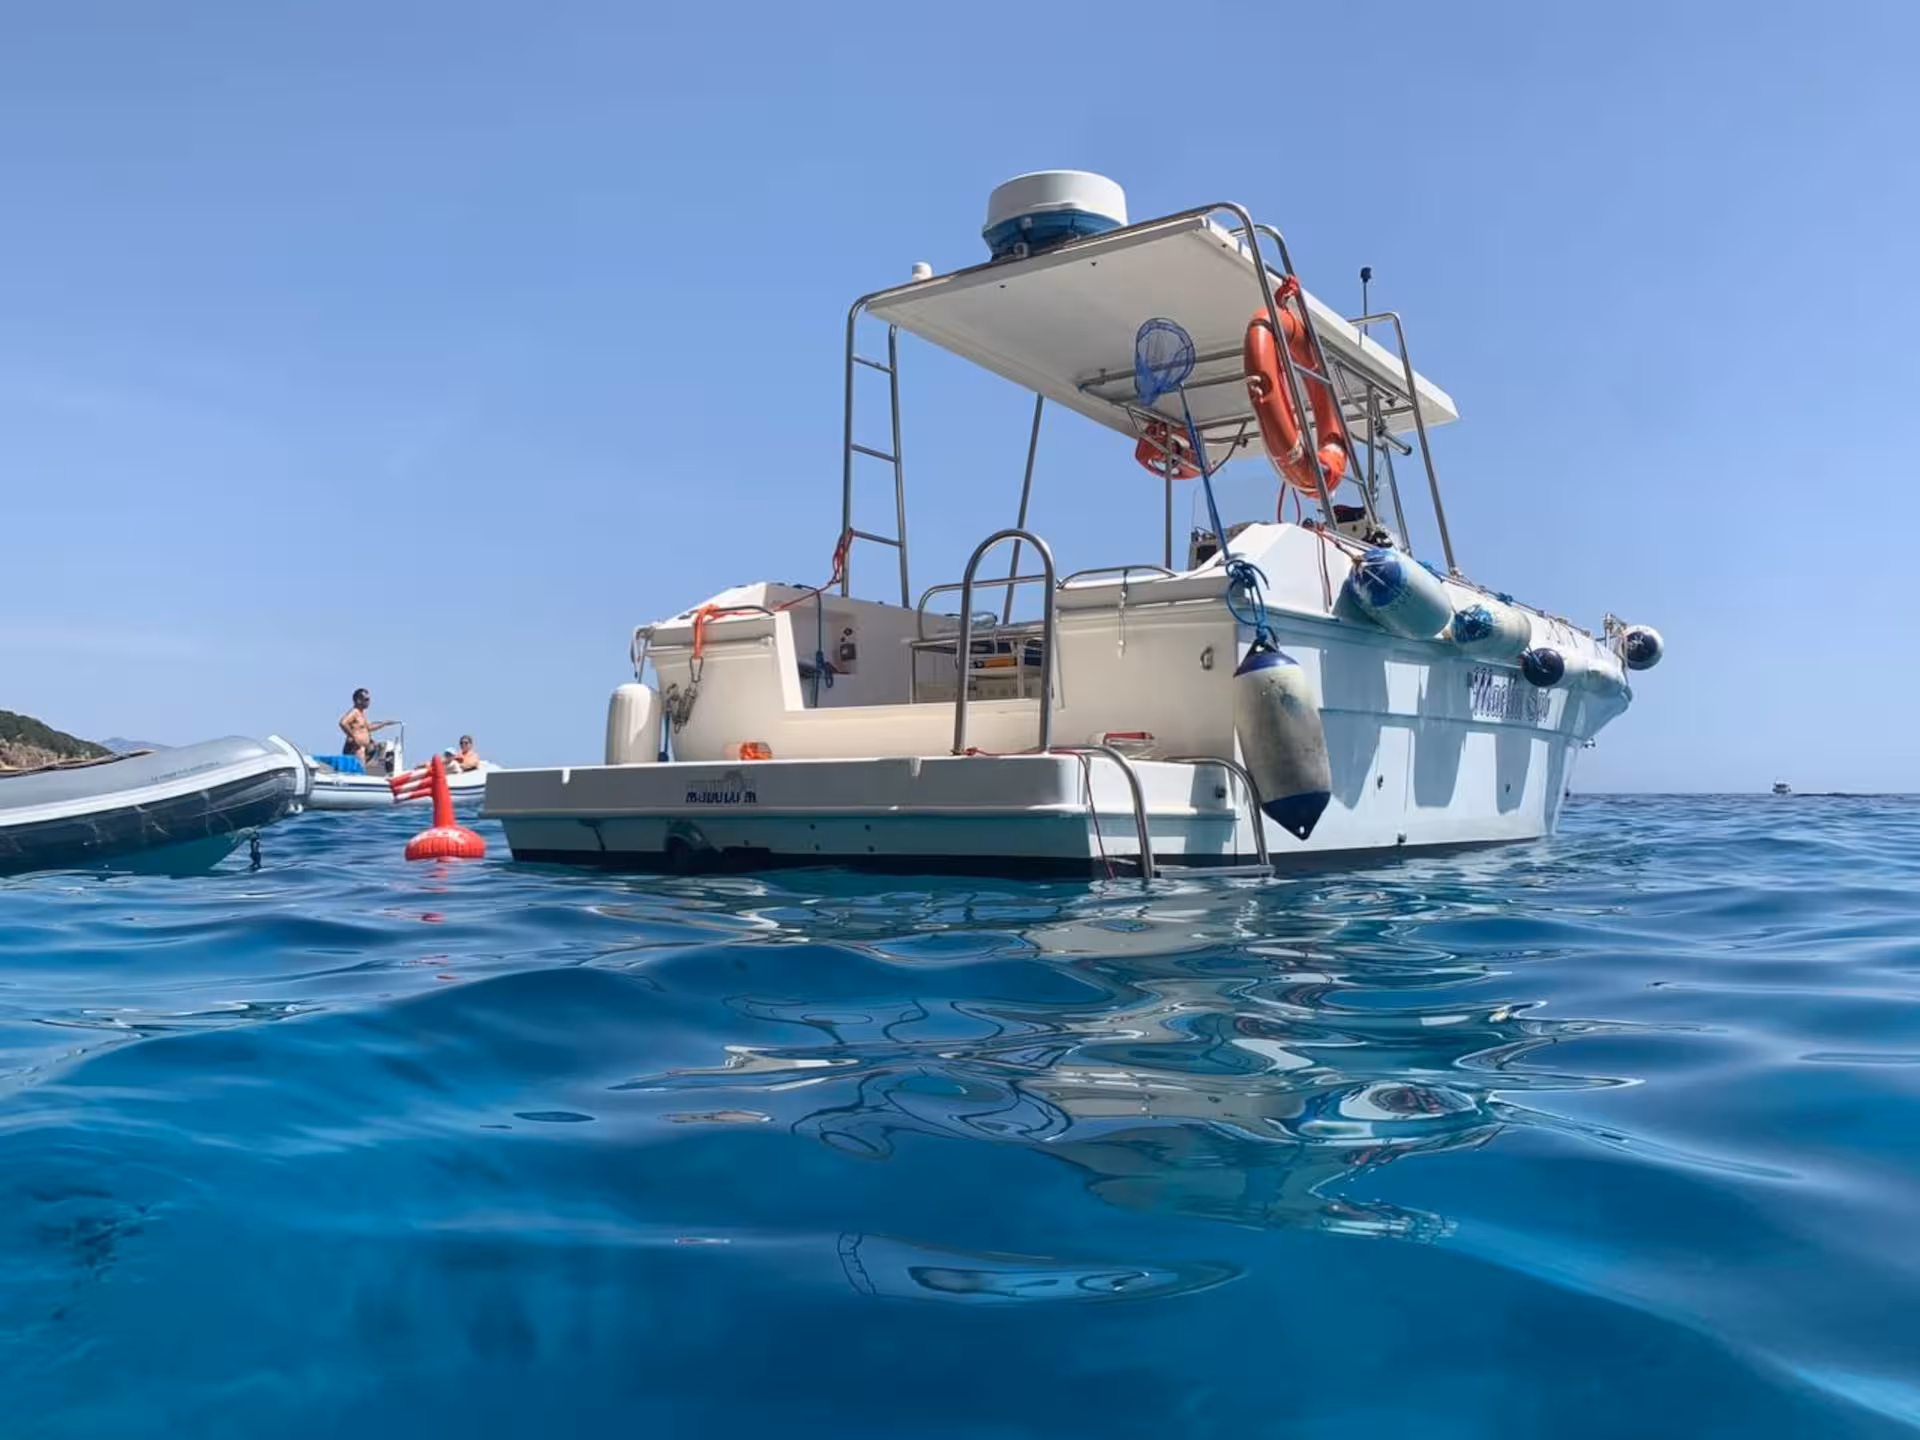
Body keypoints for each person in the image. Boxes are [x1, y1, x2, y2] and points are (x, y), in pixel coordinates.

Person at [338, 688, 395, 772]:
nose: (369, 702)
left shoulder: (362, 713)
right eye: (366, 699)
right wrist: (354, 737)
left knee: (362, 769)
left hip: (363, 749)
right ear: (358, 700)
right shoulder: (355, 712)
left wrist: (384, 723)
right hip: (355, 748)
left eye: (369, 699)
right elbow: (343, 723)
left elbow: (368, 728)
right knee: (359, 771)